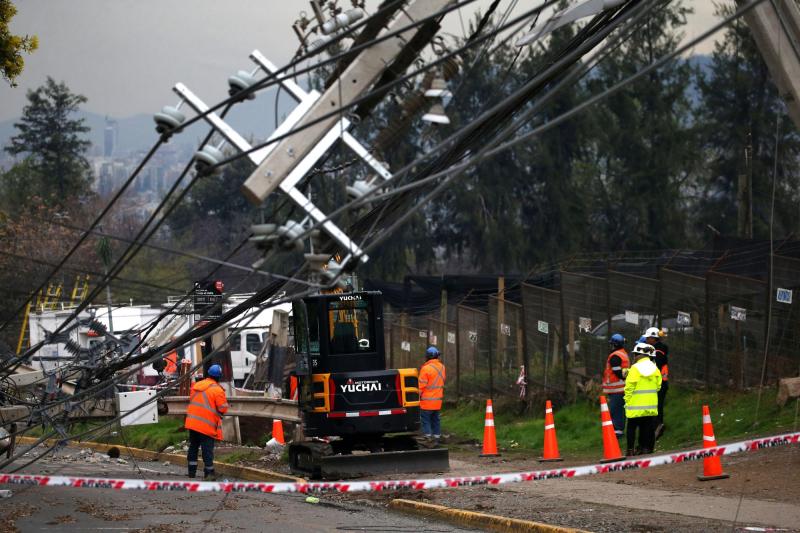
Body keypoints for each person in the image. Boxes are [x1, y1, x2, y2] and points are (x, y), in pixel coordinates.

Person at [185, 364, 229, 479]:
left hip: (192, 422)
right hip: (206, 425)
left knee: (193, 446)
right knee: (207, 449)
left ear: (208, 374)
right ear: (219, 377)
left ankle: (191, 472)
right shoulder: (218, 390)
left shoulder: (196, 385)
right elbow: (223, 408)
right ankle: (209, 472)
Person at [624, 342, 661, 456]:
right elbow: (658, 386)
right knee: (646, 427)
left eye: (635, 354)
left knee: (631, 427)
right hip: (650, 405)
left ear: (640, 355)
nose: (634, 356)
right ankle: (645, 449)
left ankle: (630, 450)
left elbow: (629, 386)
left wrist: (627, 400)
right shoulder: (655, 368)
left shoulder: (634, 368)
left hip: (634, 405)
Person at [644, 327, 669, 438]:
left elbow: (656, 368)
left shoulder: (657, 352)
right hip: (661, 382)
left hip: (659, 383)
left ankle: (657, 427)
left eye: (648, 338)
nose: (646, 340)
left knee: (656, 405)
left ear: (653, 339)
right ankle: (658, 426)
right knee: (657, 405)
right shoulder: (657, 350)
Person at [602, 333, 629, 437]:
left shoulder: (615, 356)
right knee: (619, 410)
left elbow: (618, 372)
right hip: (620, 388)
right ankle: (618, 430)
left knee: (615, 410)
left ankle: (617, 432)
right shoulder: (622, 353)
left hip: (616, 389)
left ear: (614, 344)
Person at [419, 346, 446, 445]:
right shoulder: (442, 367)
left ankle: (428, 438)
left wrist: (417, 396)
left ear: (428, 356)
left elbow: (421, 385)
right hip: (437, 401)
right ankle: (437, 438)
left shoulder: (426, 369)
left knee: (426, 420)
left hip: (427, 402)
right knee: (436, 420)